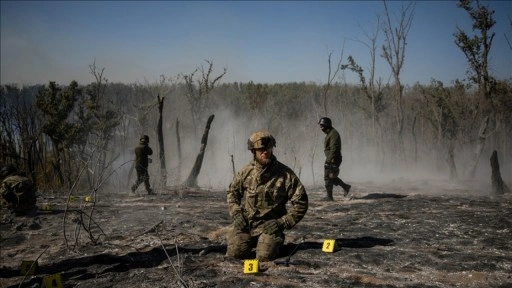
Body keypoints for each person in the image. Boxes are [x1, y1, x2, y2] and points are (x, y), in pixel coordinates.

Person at [226, 131, 308, 261]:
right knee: (235, 254)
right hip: (247, 225)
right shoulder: (245, 172)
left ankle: (274, 243)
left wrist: (281, 223)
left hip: (270, 227)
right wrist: (236, 213)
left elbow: (301, 203)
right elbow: (232, 193)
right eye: (261, 150)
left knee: (264, 257)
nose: (266, 152)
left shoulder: (285, 175)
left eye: (268, 149)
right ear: (253, 151)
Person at [318, 117, 351, 201]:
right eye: (320, 125)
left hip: (333, 158)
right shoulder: (330, 133)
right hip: (332, 158)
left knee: (328, 177)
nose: (320, 127)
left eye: (322, 125)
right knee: (331, 177)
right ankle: (345, 186)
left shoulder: (333, 134)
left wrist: (329, 160)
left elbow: (334, 148)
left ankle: (329, 197)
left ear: (327, 125)